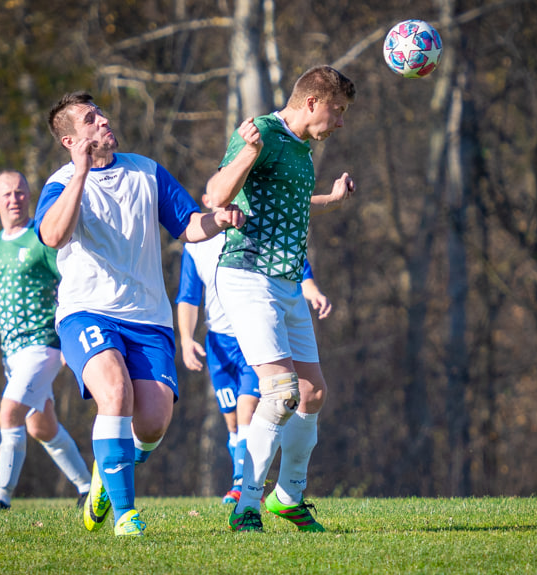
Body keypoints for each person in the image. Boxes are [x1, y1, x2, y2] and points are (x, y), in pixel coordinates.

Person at [34, 91, 243, 537]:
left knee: (151, 424)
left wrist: (219, 221)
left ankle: (106, 479)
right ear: (71, 140)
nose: (103, 121)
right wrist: (81, 174)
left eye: (101, 113)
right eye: (90, 120)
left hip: (149, 317)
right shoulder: (60, 183)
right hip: (87, 312)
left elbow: (189, 226)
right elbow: (52, 236)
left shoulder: (146, 170)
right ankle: (126, 515)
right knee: (115, 394)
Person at [206, 65, 356, 532]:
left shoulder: (301, 147)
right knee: (281, 392)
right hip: (248, 275)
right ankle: (247, 502)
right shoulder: (262, 133)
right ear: (313, 101)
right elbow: (216, 193)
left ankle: (287, 497)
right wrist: (248, 152)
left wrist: (327, 200)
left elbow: (282, 194)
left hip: (286, 283)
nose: (340, 122)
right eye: (338, 109)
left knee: (312, 394)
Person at [174, 200, 332, 504]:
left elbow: (300, 270)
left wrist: (314, 294)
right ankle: (249, 477)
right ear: (209, 202)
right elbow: (188, 297)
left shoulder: (260, 231)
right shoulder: (196, 246)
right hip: (219, 344)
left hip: (253, 335)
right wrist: (186, 338)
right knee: (233, 421)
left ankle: (245, 488)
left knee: (253, 404)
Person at [0, 170, 92, 512]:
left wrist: (68, 337)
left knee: (9, 411)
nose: (14, 199)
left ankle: (1, 498)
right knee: (41, 426)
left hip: (44, 343)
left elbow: (70, 283)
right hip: (12, 353)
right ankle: (88, 488)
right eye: (7, 194)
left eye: (20, 192)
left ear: (29, 195)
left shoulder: (40, 238)